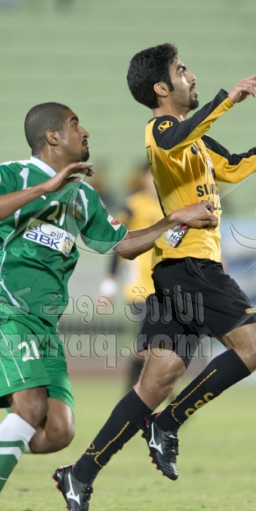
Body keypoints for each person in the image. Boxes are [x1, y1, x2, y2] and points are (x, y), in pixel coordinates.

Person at [53, 43, 256, 511]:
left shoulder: (196, 141)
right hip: (192, 267)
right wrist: (229, 99)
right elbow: (179, 136)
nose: (191, 75)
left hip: (175, 270)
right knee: (255, 347)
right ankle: (169, 422)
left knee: (157, 379)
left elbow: (238, 165)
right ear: (162, 88)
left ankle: (80, 473)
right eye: (182, 70)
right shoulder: (161, 131)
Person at [0, 101, 217, 511]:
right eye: (76, 124)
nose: (85, 131)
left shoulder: (82, 196)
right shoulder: (15, 173)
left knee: (58, 432)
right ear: (53, 136)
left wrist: (174, 220)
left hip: (44, 325)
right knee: (30, 410)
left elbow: (123, 245)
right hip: (4, 309)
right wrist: (46, 187)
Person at [98, 164, 163, 390]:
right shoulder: (133, 205)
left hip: (166, 285)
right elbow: (117, 241)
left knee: (154, 343)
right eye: (151, 176)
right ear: (143, 178)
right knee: (151, 340)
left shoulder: (172, 206)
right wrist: (109, 285)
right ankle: (151, 395)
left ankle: (137, 395)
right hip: (139, 287)